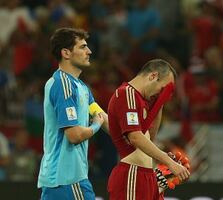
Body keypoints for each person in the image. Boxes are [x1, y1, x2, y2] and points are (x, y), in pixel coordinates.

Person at [37, 27, 109, 200]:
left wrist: (138, 141)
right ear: (66, 53)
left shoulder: (81, 87)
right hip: (68, 179)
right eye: (83, 47)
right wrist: (95, 126)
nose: (89, 51)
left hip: (61, 180)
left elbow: (102, 116)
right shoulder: (63, 85)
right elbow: (75, 135)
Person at [107, 59, 190, 200]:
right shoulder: (127, 93)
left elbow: (149, 137)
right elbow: (135, 138)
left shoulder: (141, 100)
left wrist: (160, 103)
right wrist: (170, 162)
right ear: (152, 76)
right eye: (163, 89)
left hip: (146, 175)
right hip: (132, 174)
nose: (161, 93)